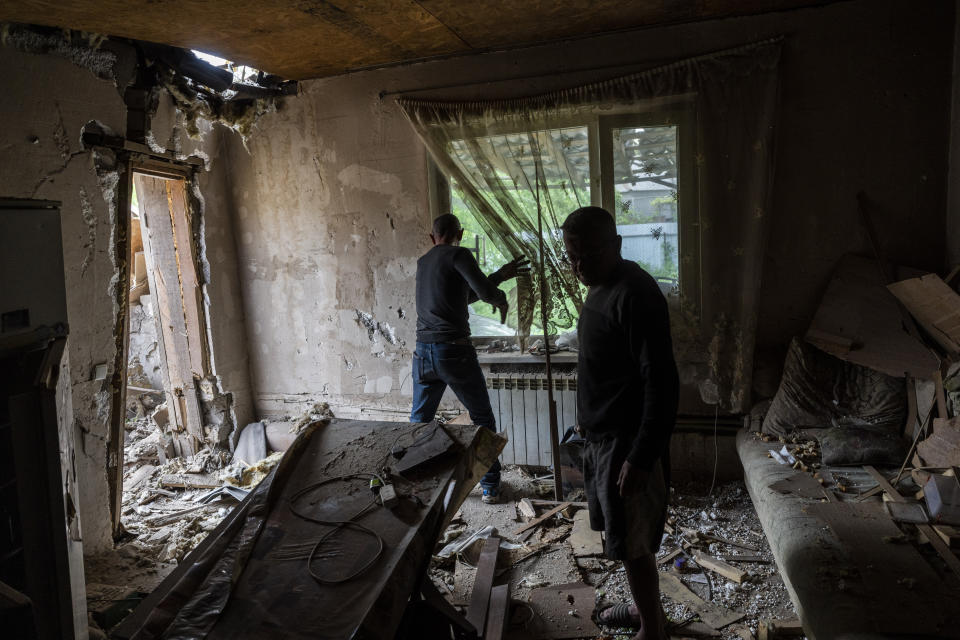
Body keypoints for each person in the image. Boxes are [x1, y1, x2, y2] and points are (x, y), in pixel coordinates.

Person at [561, 206, 679, 640]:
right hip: (601, 439)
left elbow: (662, 384)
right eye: (571, 256)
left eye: (588, 255)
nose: (578, 266)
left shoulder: (637, 294)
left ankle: (653, 629)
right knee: (624, 538)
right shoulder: (600, 287)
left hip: (625, 444)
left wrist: (641, 456)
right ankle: (644, 612)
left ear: (616, 246)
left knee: (634, 545)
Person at [411, 213, 529, 503]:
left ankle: (412, 481)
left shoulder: (424, 261)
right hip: (454, 352)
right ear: (460, 234)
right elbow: (486, 293)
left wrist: (500, 274)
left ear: (432, 238)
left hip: (423, 352)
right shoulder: (459, 253)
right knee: (482, 418)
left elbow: (462, 298)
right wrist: (500, 296)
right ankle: (489, 486)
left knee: (418, 421)